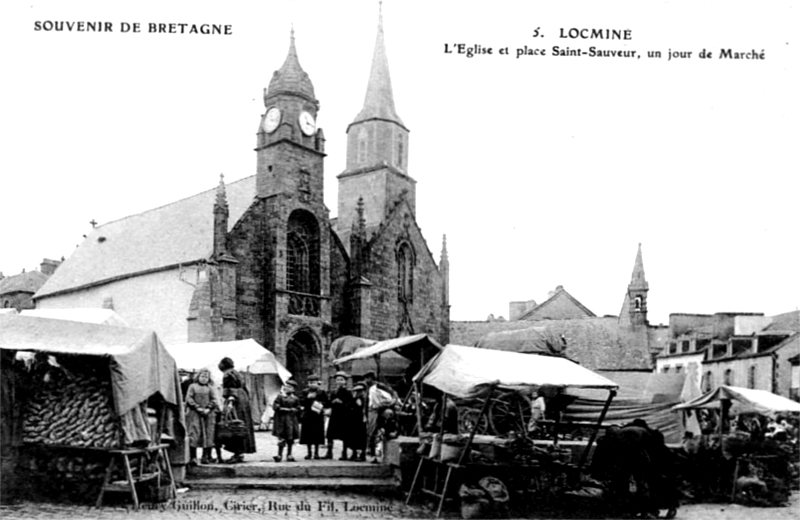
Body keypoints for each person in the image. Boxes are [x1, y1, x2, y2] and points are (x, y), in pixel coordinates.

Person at [217, 357, 256, 463]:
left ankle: (237, 452)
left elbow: (230, 390)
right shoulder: (238, 373)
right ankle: (240, 452)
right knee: (242, 424)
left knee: (235, 425)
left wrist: (230, 402)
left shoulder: (227, 374)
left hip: (235, 401)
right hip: (243, 400)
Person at [185, 368, 219, 465]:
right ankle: (193, 457)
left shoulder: (210, 388)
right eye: (202, 376)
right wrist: (197, 407)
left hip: (208, 415)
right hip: (194, 414)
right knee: (194, 435)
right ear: (198, 376)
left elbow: (214, 400)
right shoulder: (192, 386)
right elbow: (189, 398)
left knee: (208, 435)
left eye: (206, 377)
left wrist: (208, 408)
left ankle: (205, 456)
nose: (204, 379)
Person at [363, 371, 397, 458]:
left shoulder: (379, 386)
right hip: (372, 409)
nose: (366, 380)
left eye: (367, 378)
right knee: (371, 429)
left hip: (380, 408)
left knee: (377, 427)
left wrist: (392, 401)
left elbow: (393, 393)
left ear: (371, 378)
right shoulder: (367, 388)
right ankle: (371, 449)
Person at [325, 371, 354, 460]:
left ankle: (344, 453)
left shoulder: (348, 392)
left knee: (344, 434)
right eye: (337, 380)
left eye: (341, 380)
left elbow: (351, 404)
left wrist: (342, 402)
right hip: (334, 415)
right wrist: (331, 402)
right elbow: (328, 403)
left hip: (344, 415)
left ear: (345, 381)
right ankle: (329, 452)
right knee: (330, 434)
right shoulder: (333, 392)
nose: (339, 381)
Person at [299, 374, 328, 460]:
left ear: (317, 383)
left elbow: (326, 402)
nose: (312, 384)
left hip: (317, 416)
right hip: (308, 415)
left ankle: (316, 453)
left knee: (317, 434)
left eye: (314, 382)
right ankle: (309, 452)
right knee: (308, 435)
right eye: (310, 382)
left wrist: (319, 404)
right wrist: (307, 398)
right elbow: (301, 402)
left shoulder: (321, 392)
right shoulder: (305, 392)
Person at [272, 380, 302, 462]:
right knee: (281, 437)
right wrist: (287, 409)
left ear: (293, 390)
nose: (287, 388)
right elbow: (276, 407)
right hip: (281, 420)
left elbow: (298, 408)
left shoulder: (295, 398)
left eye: (290, 387)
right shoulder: (280, 397)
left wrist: (295, 410)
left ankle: (289, 454)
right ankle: (279, 455)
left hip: (291, 420)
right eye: (286, 386)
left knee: (290, 438)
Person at [349, 383, 368, 461]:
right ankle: (354, 453)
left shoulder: (365, 399)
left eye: (360, 391)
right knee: (354, 437)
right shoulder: (354, 399)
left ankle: (362, 454)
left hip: (361, 420)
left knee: (361, 437)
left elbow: (363, 409)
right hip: (354, 420)